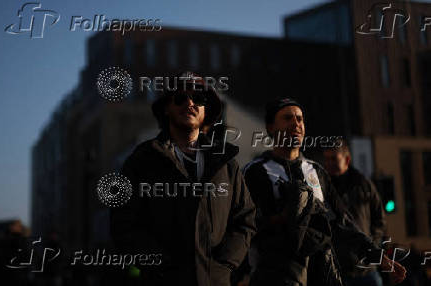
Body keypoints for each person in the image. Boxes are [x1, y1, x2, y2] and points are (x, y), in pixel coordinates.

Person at [110, 72, 256, 286]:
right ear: (166, 108)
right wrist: (161, 268)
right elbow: (124, 224)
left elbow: (245, 220)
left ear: (206, 110)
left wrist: (223, 266)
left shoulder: (226, 165)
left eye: (198, 99)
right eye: (180, 98)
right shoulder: (142, 161)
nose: (190, 103)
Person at [243, 98, 406, 286]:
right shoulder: (255, 171)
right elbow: (246, 224)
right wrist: (287, 217)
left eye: (300, 119)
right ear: (271, 127)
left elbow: (342, 221)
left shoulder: (316, 171)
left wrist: (379, 257)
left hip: (320, 276)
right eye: (288, 118)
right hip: (275, 277)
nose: (296, 124)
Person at [323, 139, 385, 286]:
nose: (329, 163)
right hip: (337, 270)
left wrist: (373, 245)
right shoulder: (321, 186)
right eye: (326, 159)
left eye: (334, 158)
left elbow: (379, 219)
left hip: (366, 269)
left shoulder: (363, 184)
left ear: (347, 159)